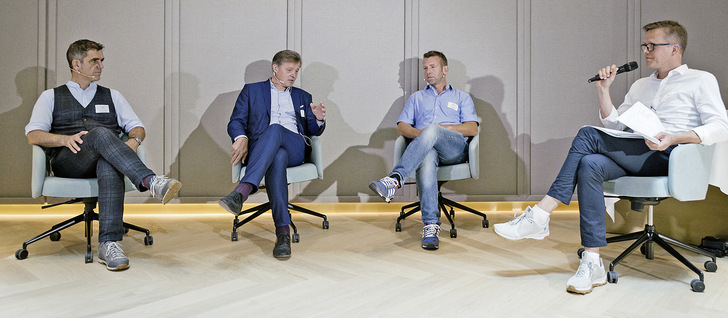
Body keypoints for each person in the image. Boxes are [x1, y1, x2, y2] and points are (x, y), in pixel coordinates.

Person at [494, 20, 728, 294]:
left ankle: (540, 215)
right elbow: (616, 127)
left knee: (586, 134)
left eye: (653, 45)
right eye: (645, 45)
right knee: (590, 163)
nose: (646, 50)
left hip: (673, 157)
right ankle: (592, 262)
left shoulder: (700, 80)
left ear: (675, 48)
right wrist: (603, 90)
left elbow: (721, 126)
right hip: (637, 152)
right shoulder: (641, 85)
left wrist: (675, 137)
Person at [25, 39, 182, 271]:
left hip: (104, 160)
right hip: (69, 162)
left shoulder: (112, 95)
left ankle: (109, 244)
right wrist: (64, 139)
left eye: (101, 61)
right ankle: (151, 181)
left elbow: (137, 127)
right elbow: (33, 135)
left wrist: (133, 141)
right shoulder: (51, 96)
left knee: (107, 162)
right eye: (94, 61)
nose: (101, 66)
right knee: (100, 133)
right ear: (76, 64)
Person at [219, 50, 326, 259]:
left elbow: (312, 130)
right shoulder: (252, 91)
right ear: (275, 69)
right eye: (289, 70)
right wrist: (240, 136)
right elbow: (236, 121)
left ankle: (243, 190)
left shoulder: (303, 96)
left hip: (295, 147)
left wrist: (319, 120)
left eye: (296, 70)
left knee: (276, 128)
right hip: (262, 149)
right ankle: (283, 233)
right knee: (277, 157)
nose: (293, 75)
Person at [369, 51, 479, 251]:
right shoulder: (416, 98)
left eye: (433, 67)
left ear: (445, 69)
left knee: (434, 129)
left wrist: (440, 130)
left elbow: (472, 128)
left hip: (454, 150)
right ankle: (430, 225)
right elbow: (402, 128)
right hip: (428, 150)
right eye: (425, 68)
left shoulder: (462, 97)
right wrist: (425, 135)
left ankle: (395, 180)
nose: (428, 71)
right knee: (427, 156)